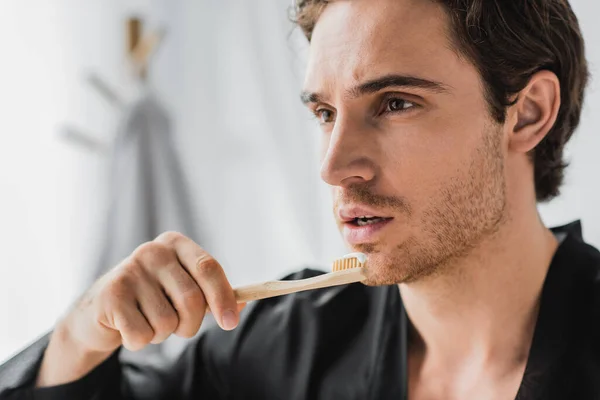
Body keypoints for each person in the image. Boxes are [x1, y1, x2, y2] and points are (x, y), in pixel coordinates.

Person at [0, 0, 596, 398]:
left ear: (528, 113)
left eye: (394, 103)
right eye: (325, 113)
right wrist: (83, 331)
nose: (333, 167)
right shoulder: (277, 347)